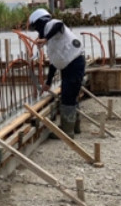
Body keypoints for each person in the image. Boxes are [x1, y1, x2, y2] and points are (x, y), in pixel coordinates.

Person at [28, 8, 85, 138]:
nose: (37, 32)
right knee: (70, 95)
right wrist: (48, 83)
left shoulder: (51, 25)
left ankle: (67, 132)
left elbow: (59, 25)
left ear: (39, 22)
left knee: (68, 97)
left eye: (36, 28)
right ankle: (74, 127)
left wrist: (45, 39)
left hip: (74, 65)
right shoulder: (53, 40)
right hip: (69, 66)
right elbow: (54, 63)